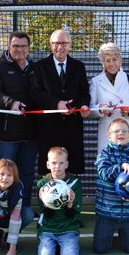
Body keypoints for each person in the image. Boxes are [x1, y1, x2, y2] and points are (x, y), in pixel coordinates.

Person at [0, 30, 38, 207]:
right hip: (7, 135)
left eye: (23, 46)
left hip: (31, 133)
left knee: (27, 173)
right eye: (15, 46)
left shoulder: (35, 68)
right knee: (4, 173)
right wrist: (11, 103)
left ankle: (23, 207)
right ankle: (1, 207)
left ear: (29, 48)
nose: (19, 50)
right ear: (9, 47)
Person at [31, 29, 90, 175]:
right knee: (49, 169)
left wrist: (84, 106)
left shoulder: (79, 67)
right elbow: (36, 93)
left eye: (64, 43)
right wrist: (57, 104)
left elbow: (84, 92)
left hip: (73, 127)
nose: (60, 47)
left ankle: (72, 197)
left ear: (69, 45)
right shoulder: (40, 67)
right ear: (51, 45)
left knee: (72, 167)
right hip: (49, 128)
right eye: (57, 43)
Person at [93, 118, 129, 254]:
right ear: (109, 136)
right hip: (107, 212)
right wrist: (121, 167)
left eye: (124, 131)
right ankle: (108, 235)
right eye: (116, 131)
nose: (120, 133)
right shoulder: (103, 155)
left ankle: (125, 234)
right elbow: (104, 173)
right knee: (100, 249)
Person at [89, 42, 129, 157]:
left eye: (114, 59)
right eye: (107, 60)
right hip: (108, 133)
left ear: (120, 60)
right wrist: (100, 109)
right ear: (103, 63)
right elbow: (89, 110)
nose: (111, 64)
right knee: (109, 169)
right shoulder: (96, 81)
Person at [37, 147, 82, 255]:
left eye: (61, 163)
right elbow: (46, 215)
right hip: (48, 229)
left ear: (66, 164)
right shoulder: (42, 184)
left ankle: (65, 245)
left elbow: (74, 215)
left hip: (68, 229)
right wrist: (46, 203)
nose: (57, 166)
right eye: (54, 163)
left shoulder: (75, 183)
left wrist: (70, 203)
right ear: (48, 165)